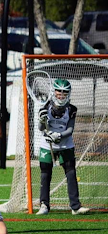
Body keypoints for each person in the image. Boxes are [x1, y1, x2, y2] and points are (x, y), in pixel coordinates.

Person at [36, 79, 89, 215]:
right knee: (45, 174)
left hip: (66, 144)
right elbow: (41, 128)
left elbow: (70, 129)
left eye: (65, 92)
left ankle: (75, 206)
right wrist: (42, 121)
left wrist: (58, 135)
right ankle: (44, 205)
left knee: (71, 173)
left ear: (68, 93)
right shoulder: (45, 106)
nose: (61, 94)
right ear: (54, 91)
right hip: (47, 145)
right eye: (59, 91)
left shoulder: (72, 109)